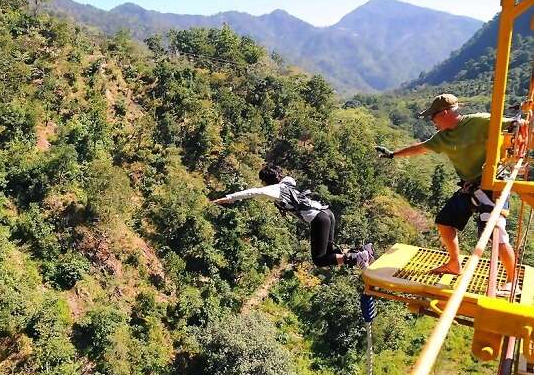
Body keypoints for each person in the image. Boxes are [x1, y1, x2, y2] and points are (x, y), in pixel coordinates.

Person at [375, 93, 528, 295]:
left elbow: (520, 124)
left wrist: (518, 135)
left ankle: (512, 281)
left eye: (433, 116)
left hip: (491, 186)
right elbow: (420, 148)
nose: (432, 121)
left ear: (445, 113)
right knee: (444, 222)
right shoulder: (443, 137)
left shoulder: (479, 122)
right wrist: (394, 154)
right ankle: (454, 264)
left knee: (494, 233)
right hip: (471, 186)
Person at [211, 164, 375, 269]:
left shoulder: (275, 189)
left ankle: (357, 258)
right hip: (327, 213)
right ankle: (362, 251)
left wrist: (228, 198)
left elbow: (253, 192)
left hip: (319, 219)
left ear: (266, 181)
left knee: (319, 260)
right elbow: (288, 184)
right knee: (331, 254)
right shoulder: (287, 184)